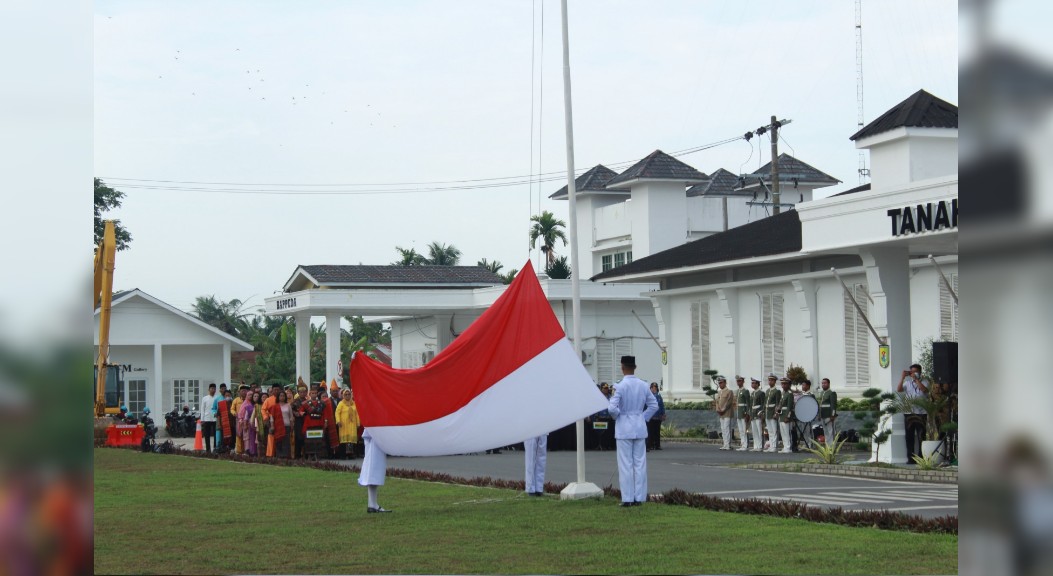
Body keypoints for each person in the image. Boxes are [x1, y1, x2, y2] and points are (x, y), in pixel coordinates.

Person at [608, 355, 659, 507]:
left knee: (625, 464)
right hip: (639, 425)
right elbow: (653, 405)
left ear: (622, 367)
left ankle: (627, 498)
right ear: (635, 367)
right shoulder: (644, 384)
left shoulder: (619, 385)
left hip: (624, 426)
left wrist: (618, 416)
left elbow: (612, 408)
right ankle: (639, 497)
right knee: (640, 463)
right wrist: (642, 417)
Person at [897, 363, 929, 462]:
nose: (914, 374)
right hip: (909, 413)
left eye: (916, 372)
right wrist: (902, 378)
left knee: (921, 435)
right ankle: (910, 458)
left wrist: (916, 379)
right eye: (912, 372)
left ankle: (921, 457)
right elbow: (899, 389)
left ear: (920, 372)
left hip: (921, 413)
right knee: (909, 436)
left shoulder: (925, 381)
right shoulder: (907, 383)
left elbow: (924, 390)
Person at [335, 389, 360, 459]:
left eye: (349, 394)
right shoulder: (341, 403)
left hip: (352, 424)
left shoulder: (354, 403)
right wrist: (338, 421)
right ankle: (343, 455)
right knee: (344, 440)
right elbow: (337, 413)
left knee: (351, 440)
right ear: (343, 395)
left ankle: (351, 455)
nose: (347, 396)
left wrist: (358, 423)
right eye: (346, 394)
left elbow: (357, 414)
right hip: (344, 425)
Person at [713, 376, 734, 451]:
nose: (720, 384)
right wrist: (718, 409)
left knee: (727, 428)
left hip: (727, 413)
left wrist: (723, 409)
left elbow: (729, 402)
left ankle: (728, 444)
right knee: (723, 429)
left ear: (725, 383)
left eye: (721, 383)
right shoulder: (719, 392)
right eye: (719, 383)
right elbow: (717, 402)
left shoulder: (729, 391)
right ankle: (725, 444)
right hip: (721, 414)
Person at [776, 377, 795, 453]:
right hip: (781, 414)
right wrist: (777, 412)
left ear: (789, 385)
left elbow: (790, 407)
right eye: (782, 384)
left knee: (787, 432)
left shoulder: (790, 394)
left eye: (785, 384)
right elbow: (781, 405)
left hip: (786, 415)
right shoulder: (783, 393)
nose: (783, 385)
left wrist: (788, 416)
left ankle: (788, 447)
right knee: (783, 432)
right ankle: (785, 446)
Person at [762, 374, 780, 452]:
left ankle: (774, 446)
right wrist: (763, 412)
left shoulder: (777, 391)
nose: (770, 381)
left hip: (772, 412)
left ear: (775, 381)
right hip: (767, 412)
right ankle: (771, 446)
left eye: (772, 380)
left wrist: (776, 413)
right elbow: (765, 403)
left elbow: (777, 403)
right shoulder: (768, 391)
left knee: (774, 430)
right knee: (770, 431)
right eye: (769, 380)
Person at [818, 378, 838, 446]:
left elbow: (833, 405)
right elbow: (820, 405)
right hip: (823, 415)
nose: (823, 384)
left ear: (828, 384)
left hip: (829, 415)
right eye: (822, 383)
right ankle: (828, 446)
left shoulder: (832, 393)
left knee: (831, 432)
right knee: (825, 432)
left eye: (825, 383)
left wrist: (832, 415)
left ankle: (832, 447)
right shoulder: (822, 393)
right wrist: (819, 415)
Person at [646, 382, 665, 451]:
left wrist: (663, 414)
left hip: (658, 417)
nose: (654, 389)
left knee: (657, 432)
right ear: (650, 388)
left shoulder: (659, 397)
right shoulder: (648, 397)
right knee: (650, 432)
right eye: (653, 388)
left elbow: (662, 406)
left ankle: (657, 445)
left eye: (655, 388)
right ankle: (650, 445)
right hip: (651, 417)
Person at [237, 391, 257, 456]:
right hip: (246, 423)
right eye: (249, 395)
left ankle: (254, 451)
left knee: (254, 438)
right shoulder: (245, 404)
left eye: (252, 395)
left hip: (255, 424)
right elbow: (242, 414)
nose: (251, 396)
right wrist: (244, 424)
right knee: (247, 438)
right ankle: (247, 450)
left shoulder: (256, 404)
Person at [199, 383, 217, 453]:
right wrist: (202, 419)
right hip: (207, 418)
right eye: (211, 388)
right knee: (207, 435)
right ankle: (208, 449)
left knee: (216, 435)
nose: (213, 390)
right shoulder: (205, 398)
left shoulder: (217, 398)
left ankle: (215, 449)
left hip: (215, 419)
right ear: (209, 390)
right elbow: (202, 409)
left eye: (214, 389)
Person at [734, 376, 751, 451]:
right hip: (739, 412)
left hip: (743, 412)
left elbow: (748, 403)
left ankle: (745, 445)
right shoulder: (738, 391)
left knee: (744, 429)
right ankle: (742, 444)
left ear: (743, 382)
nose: (738, 383)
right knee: (740, 430)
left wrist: (747, 413)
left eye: (740, 381)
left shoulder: (745, 391)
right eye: (737, 381)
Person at [749, 377, 765, 451]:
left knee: (759, 430)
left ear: (758, 384)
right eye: (752, 383)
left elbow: (762, 404)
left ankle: (760, 446)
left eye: (754, 383)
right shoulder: (752, 393)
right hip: (753, 413)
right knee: (754, 430)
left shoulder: (761, 393)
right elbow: (750, 404)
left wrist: (761, 412)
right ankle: (756, 446)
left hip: (758, 413)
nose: (752, 384)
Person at [231, 385, 248, 454]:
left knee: (246, 435)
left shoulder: (248, 400)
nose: (244, 392)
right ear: (239, 392)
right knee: (239, 435)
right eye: (242, 391)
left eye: (245, 391)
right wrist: (234, 413)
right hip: (239, 420)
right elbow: (232, 409)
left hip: (246, 420)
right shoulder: (236, 400)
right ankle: (239, 450)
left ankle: (246, 450)